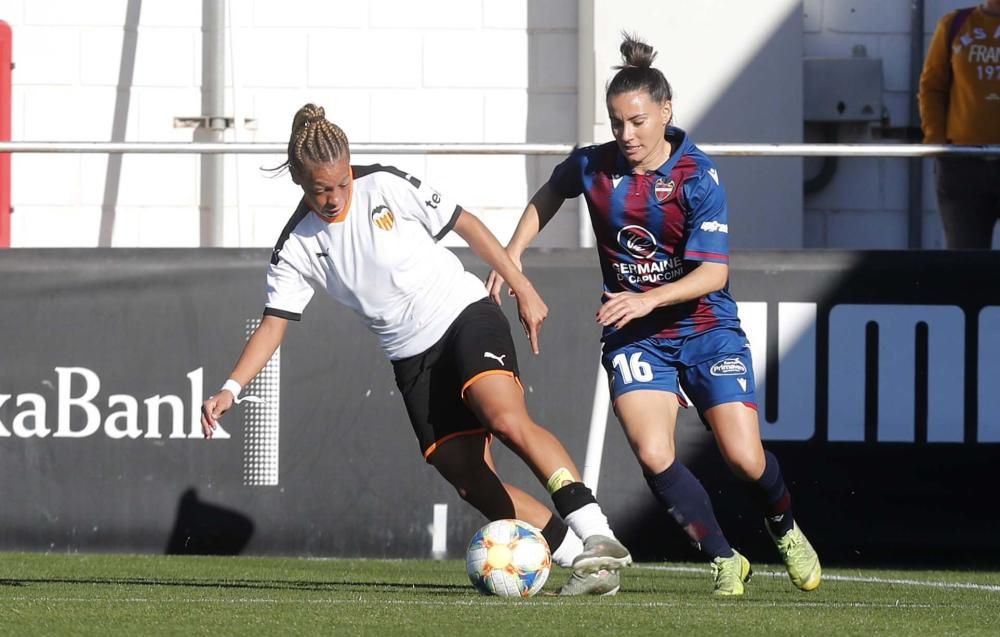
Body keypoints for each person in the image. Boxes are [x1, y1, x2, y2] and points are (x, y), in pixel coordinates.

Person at [201, 103, 631, 596]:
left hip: (462, 315)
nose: (335, 196)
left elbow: (465, 223)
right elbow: (274, 324)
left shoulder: (384, 185)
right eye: (322, 188)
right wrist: (231, 387)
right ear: (299, 179)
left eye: (342, 183)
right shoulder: (296, 246)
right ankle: (586, 564)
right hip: (410, 357)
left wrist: (521, 285)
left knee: (503, 416)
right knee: (468, 478)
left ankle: (597, 532)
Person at [487, 34, 821, 596]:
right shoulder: (594, 167)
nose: (627, 135)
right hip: (636, 336)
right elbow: (550, 192)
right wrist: (514, 252)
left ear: (666, 112)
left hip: (706, 328)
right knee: (652, 451)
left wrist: (647, 297)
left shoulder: (697, 177)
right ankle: (723, 558)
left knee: (743, 456)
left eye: (638, 121)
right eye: (617, 122)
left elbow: (713, 275)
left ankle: (783, 525)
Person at [918, 1, 1000, 249]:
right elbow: (932, 87)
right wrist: (936, 140)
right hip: (963, 163)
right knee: (965, 260)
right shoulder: (955, 24)